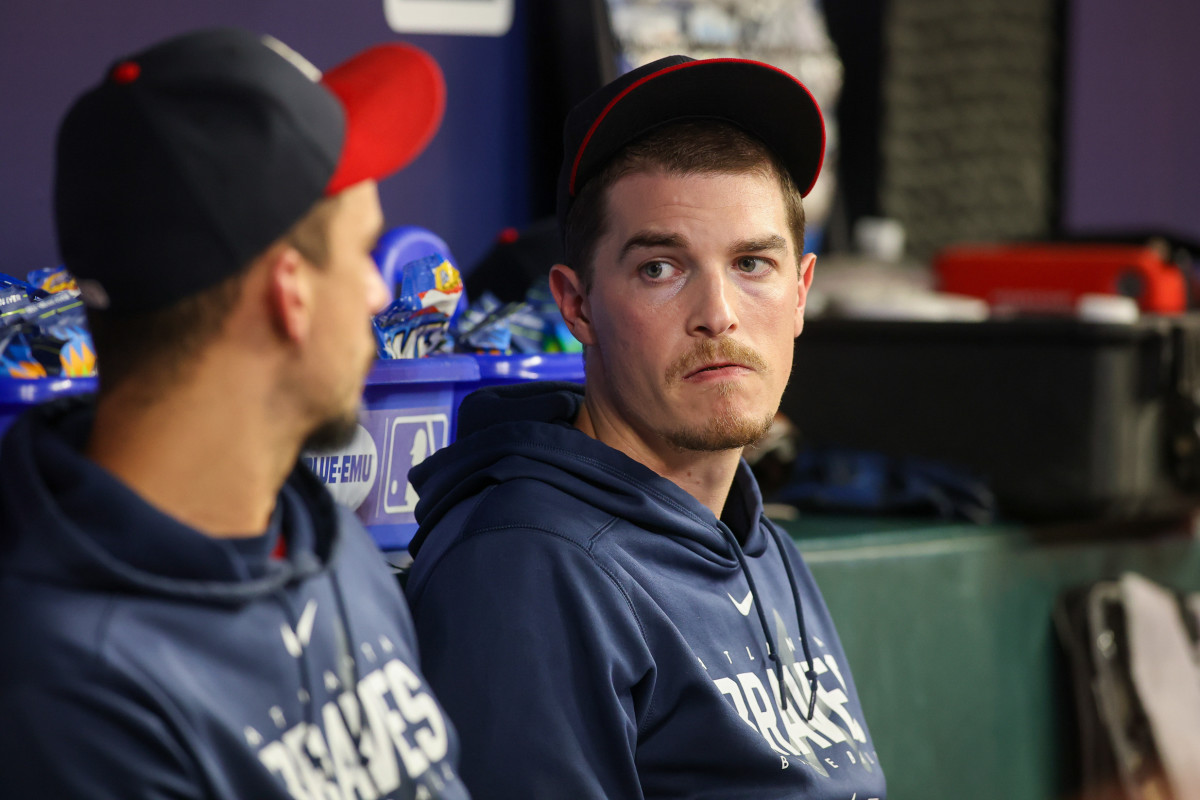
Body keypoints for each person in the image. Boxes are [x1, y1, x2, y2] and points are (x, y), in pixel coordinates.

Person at [0, 28, 469, 799]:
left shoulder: (327, 543)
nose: (381, 293)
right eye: (362, 253)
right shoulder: (65, 684)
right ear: (291, 293)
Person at [403, 55, 887, 799]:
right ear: (577, 306)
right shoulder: (528, 568)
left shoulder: (760, 542)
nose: (718, 315)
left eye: (752, 264)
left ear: (800, 293)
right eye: (661, 268)